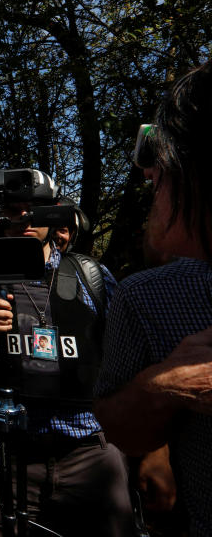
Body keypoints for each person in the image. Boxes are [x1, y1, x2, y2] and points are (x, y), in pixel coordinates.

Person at [0, 168, 135, 536]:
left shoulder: (89, 275)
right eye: (14, 209)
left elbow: (127, 359)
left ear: (57, 214)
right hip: (7, 458)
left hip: (89, 455)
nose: (26, 218)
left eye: (37, 209)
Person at [93, 63, 212, 535]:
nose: (146, 169)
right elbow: (120, 428)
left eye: (160, 150)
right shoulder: (146, 295)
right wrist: (164, 386)